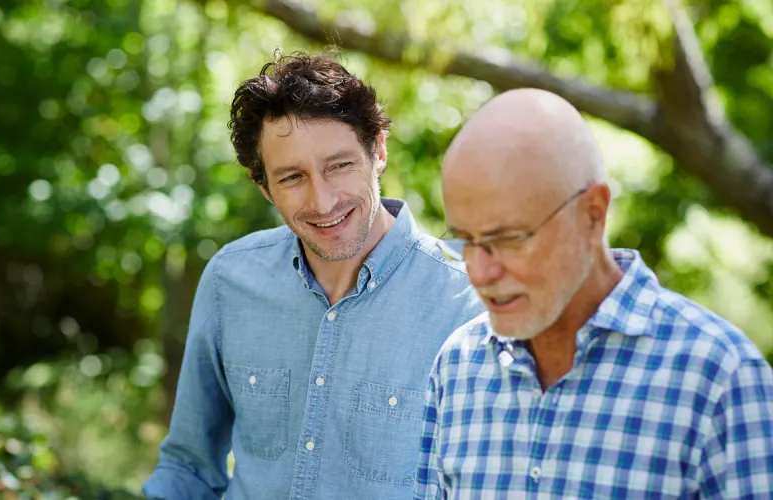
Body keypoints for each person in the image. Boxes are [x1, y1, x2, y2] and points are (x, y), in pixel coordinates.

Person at [142, 51, 483, 499]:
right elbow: (187, 468)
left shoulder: (466, 302)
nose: (322, 202)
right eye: (291, 178)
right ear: (263, 185)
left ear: (378, 149)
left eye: (339, 165)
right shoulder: (230, 281)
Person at [414, 88, 773, 499]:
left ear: (593, 214)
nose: (480, 272)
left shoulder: (720, 379)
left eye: (509, 239)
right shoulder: (456, 367)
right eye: (465, 241)